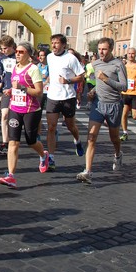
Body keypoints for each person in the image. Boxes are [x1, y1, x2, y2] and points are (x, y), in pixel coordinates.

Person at [77, 37, 128, 184]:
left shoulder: (118, 65)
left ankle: (118, 154)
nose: (101, 52)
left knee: (114, 138)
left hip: (114, 105)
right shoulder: (96, 63)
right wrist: (93, 91)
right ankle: (88, 171)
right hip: (98, 104)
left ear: (111, 49)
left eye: (104, 49)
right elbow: (98, 83)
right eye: (99, 49)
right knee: (91, 137)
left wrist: (106, 79)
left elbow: (124, 87)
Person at [0, 41, 48, 189]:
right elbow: (15, 88)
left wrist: (22, 88)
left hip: (31, 110)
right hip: (15, 108)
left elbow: (39, 92)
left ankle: (43, 155)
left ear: (28, 54)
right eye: (17, 52)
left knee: (31, 141)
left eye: (21, 52)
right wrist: (11, 91)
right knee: (13, 143)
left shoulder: (33, 69)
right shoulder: (15, 67)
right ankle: (11, 176)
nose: (18, 54)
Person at [45, 34, 85, 170]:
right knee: (51, 127)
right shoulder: (49, 57)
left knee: (70, 126)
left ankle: (77, 140)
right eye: (52, 43)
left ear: (63, 45)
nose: (54, 46)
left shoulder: (71, 58)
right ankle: (51, 158)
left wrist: (68, 80)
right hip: (52, 97)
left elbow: (81, 76)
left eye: (56, 43)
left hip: (68, 97)